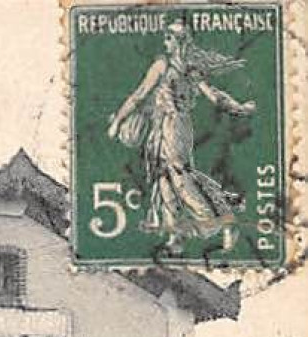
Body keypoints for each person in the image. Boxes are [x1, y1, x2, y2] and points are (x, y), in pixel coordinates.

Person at [107, 19, 256, 253]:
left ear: (180, 41)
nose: (165, 41)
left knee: (177, 174)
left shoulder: (166, 66)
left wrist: (117, 121)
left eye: (170, 37)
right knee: (164, 175)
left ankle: (223, 216)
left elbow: (139, 95)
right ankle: (174, 235)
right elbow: (213, 95)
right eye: (166, 36)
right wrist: (239, 108)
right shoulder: (184, 67)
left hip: (172, 126)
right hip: (168, 125)